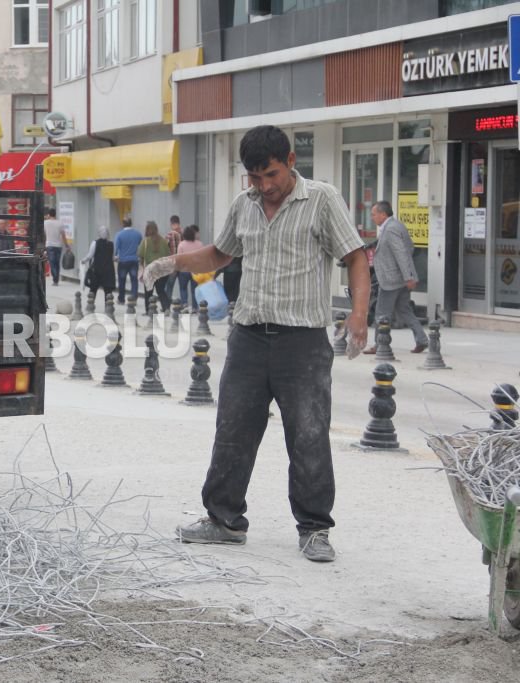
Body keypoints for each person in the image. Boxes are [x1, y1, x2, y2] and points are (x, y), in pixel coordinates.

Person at [142, 125, 370, 563]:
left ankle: (315, 528)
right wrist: (169, 264)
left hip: (302, 342)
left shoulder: (322, 199)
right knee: (233, 430)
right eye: (255, 177)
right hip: (248, 337)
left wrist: (358, 316)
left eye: (271, 174)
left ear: (290, 161)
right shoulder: (243, 205)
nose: (265, 186)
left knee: (307, 434)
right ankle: (224, 520)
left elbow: (355, 257)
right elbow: (220, 254)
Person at [363, 200, 428, 354]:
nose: (372, 218)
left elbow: (401, 254)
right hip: (399, 279)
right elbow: (409, 248)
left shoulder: (391, 229)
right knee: (405, 310)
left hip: (391, 280)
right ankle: (422, 339)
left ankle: (380, 344)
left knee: (381, 313)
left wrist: (409, 276)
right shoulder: (396, 225)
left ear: (383, 214)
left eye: (374, 214)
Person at [137, 220, 171, 314]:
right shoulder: (163, 241)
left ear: (147, 230)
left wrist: (141, 268)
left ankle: (149, 310)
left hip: (150, 270)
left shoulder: (145, 242)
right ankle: (166, 308)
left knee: (148, 291)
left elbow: (140, 255)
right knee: (161, 291)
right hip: (161, 270)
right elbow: (168, 255)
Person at [82, 226, 116, 306]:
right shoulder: (111, 244)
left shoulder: (95, 243)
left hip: (96, 269)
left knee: (93, 288)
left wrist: (84, 260)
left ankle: (90, 304)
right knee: (108, 290)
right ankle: (108, 306)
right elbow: (113, 257)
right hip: (108, 269)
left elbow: (90, 255)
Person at [113, 217, 142, 305]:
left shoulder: (119, 234)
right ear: (131, 223)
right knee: (134, 280)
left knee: (122, 280)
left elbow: (116, 248)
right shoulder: (138, 234)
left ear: (123, 224)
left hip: (123, 260)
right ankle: (133, 298)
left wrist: (115, 256)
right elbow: (140, 244)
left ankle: (121, 299)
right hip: (134, 260)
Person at [174, 225, 203, 310]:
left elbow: (179, 258)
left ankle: (185, 304)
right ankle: (195, 307)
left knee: (183, 289)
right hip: (195, 270)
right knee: (194, 290)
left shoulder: (181, 245)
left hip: (184, 270)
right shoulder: (199, 244)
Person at [43, 208, 70, 286]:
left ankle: (55, 279)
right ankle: (56, 279)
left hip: (49, 245)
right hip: (58, 246)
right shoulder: (60, 223)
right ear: (55, 214)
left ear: (49, 214)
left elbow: (44, 235)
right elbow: (63, 235)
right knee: (57, 263)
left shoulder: (45, 223)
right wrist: (67, 245)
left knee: (52, 262)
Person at [165, 215, 183, 303]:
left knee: (169, 286)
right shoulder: (185, 233)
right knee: (183, 287)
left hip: (172, 265)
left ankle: (167, 305)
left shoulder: (169, 235)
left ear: (172, 224)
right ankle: (184, 305)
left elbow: (164, 249)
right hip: (183, 264)